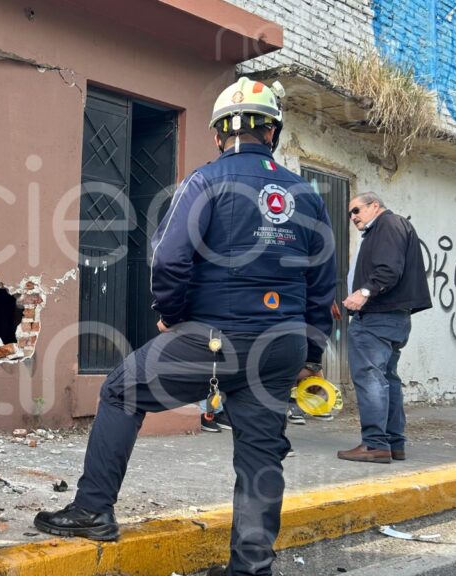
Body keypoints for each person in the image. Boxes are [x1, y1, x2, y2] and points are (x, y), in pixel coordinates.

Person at [33, 77, 336, 576]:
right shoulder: (308, 196)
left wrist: (172, 317)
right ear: (273, 132)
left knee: (121, 390)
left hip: (216, 338)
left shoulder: (205, 182)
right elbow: (323, 284)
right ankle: (250, 568)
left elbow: (169, 260)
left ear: (219, 135)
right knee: (261, 455)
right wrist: (310, 354)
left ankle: (93, 510)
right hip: (281, 345)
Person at [338, 192, 431, 464]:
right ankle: (393, 444)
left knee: (370, 378)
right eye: (350, 213)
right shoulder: (388, 227)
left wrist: (364, 292)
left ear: (375, 206)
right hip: (392, 317)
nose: (353, 217)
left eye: (356, 210)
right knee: (387, 379)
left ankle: (375, 444)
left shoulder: (387, 224)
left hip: (377, 316)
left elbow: (389, 269)